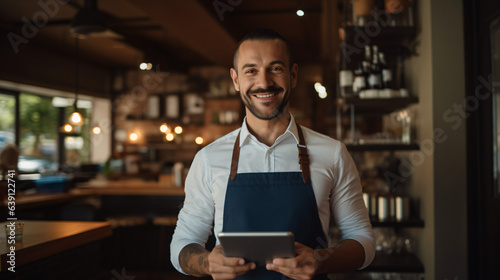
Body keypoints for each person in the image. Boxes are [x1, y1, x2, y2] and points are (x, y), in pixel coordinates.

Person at [170, 28, 375, 280]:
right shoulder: (208, 159)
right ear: (235, 80)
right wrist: (206, 262)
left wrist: (321, 260)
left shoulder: (333, 153)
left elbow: (363, 241)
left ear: (293, 74)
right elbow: (182, 242)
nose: (264, 82)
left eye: (275, 69)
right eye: (251, 71)